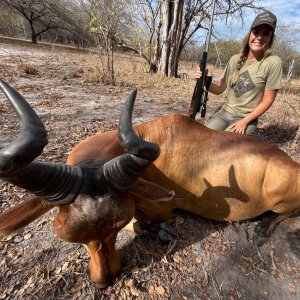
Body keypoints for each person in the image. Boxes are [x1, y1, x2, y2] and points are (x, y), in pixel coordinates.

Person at [196, 10, 282, 135]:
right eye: (256, 32)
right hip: (224, 112)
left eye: (266, 33)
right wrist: (203, 79)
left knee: (225, 146)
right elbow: (220, 88)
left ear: (271, 38)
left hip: (246, 118)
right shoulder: (235, 59)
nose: (259, 37)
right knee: (203, 137)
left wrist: (245, 121)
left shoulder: (273, 62)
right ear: (249, 34)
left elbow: (267, 101)